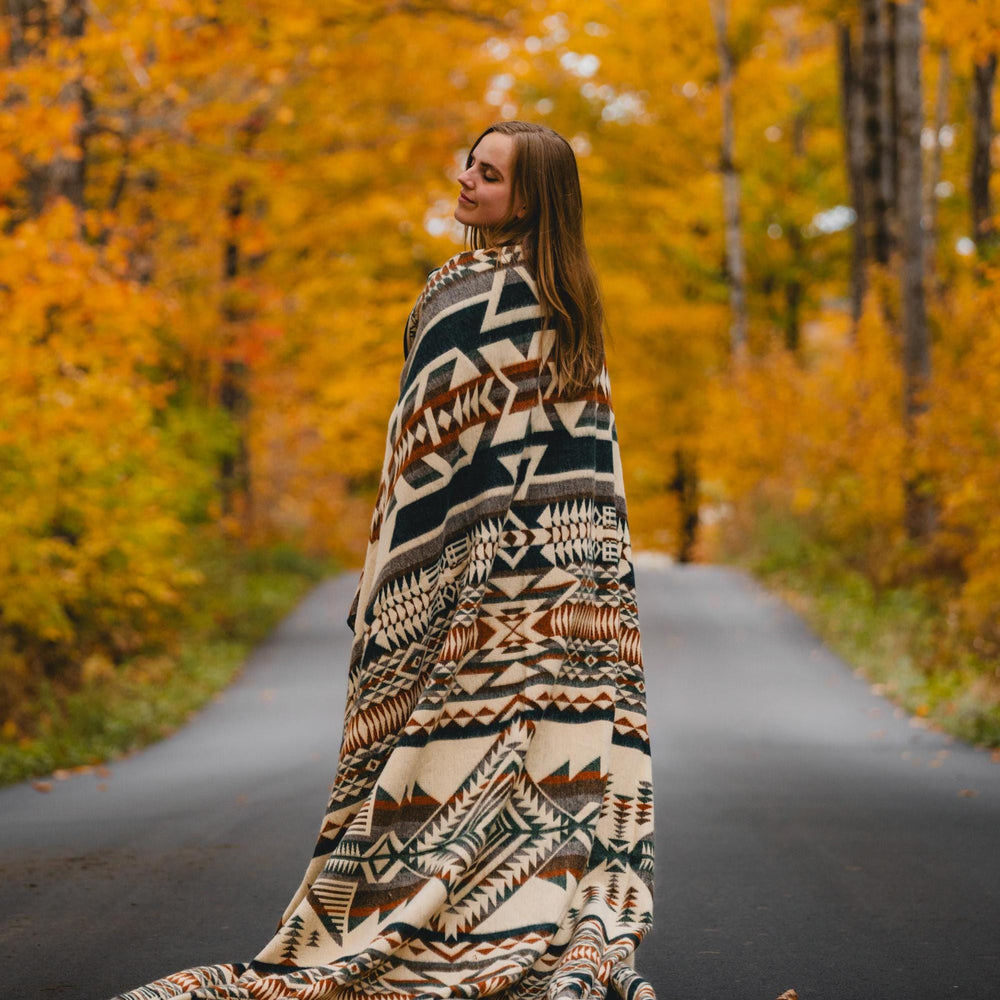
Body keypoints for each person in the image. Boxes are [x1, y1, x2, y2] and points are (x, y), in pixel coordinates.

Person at [112, 121, 655, 1000]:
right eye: (469, 164)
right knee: (529, 760)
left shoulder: (469, 294)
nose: (468, 180)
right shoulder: (570, 303)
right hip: (562, 590)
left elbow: (417, 464)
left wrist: (387, 581)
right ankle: (526, 913)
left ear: (531, 199)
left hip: (460, 585)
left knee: (439, 749)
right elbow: (531, 460)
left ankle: (430, 916)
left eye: (490, 174)